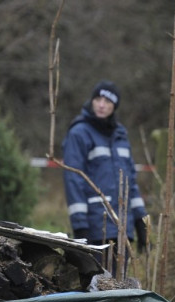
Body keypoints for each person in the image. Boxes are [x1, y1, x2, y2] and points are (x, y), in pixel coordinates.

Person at [62, 80, 148, 274]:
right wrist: (80, 226)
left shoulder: (120, 136)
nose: (102, 104)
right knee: (95, 289)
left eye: (108, 101)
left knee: (119, 287)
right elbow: (73, 181)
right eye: (98, 99)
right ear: (91, 101)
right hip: (95, 228)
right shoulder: (79, 133)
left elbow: (131, 183)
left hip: (122, 229)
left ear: (114, 107)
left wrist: (141, 221)